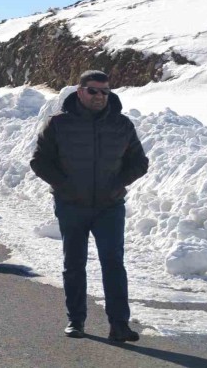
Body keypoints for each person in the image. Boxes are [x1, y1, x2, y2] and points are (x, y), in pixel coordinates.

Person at [30, 70, 148, 342]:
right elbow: (39, 161)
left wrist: (118, 184)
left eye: (105, 92)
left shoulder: (122, 125)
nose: (100, 96)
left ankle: (119, 325)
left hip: (110, 206)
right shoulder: (59, 124)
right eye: (94, 90)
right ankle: (76, 321)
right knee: (74, 263)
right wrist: (64, 186)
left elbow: (140, 162)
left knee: (113, 263)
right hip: (72, 205)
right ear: (80, 91)